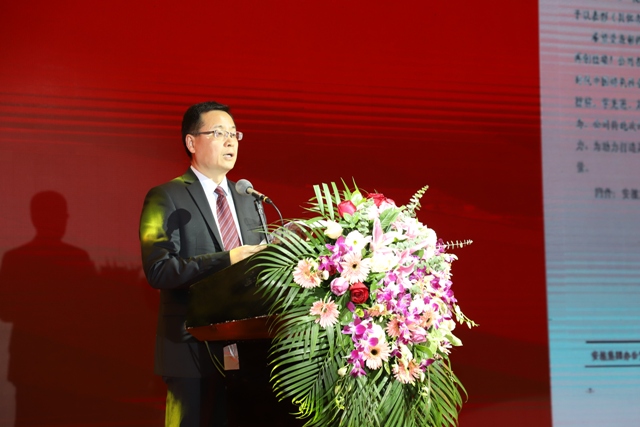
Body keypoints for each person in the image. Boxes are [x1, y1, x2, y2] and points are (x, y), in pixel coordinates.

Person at [139, 101, 266, 427]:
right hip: (190, 351)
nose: (230, 141)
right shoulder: (165, 196)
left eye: (234, 134)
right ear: (191, 142)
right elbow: (159, 270)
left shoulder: (249, 199)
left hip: (248, 351)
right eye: (219, 133)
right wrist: (227, 259)